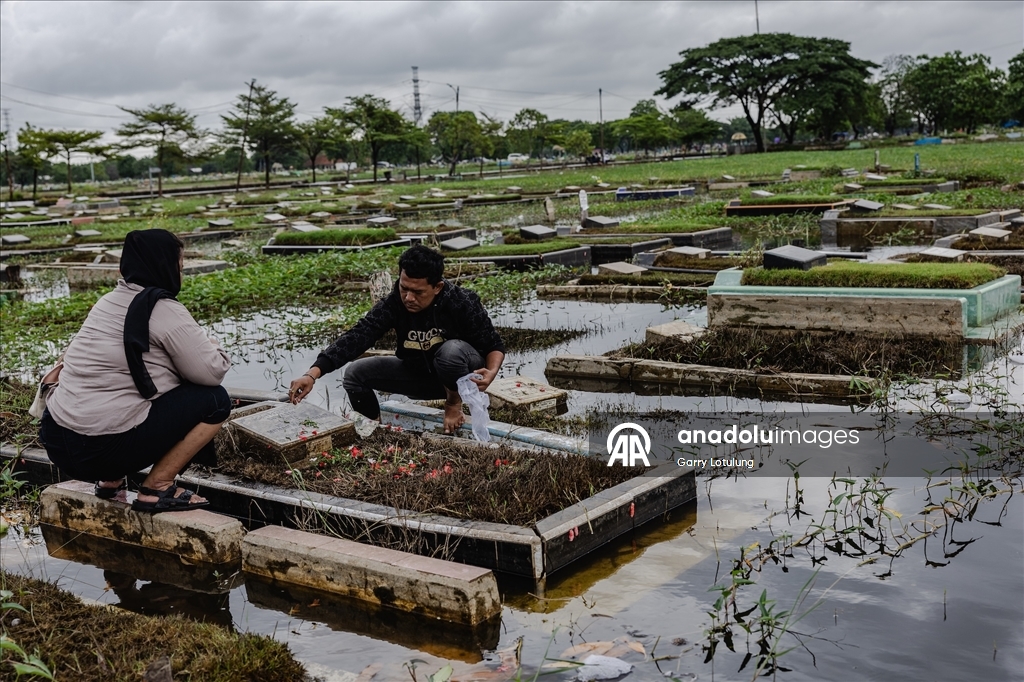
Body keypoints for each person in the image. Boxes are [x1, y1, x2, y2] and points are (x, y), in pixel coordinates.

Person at [39, 229, 231, 513]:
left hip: (57, 441)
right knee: (215, 400)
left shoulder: (106, 302)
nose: (180, 272)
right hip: (102, 451)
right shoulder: (164, 309)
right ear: (166, 266)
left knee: (120, 389)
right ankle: (158, 486)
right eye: (179, 266)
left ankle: (110, 481)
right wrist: (212, 344)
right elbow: (211, 372)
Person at [289, 244, 504, 434]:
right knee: (355, 374)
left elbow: (493, 345)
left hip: (461, 378)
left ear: (437, 287)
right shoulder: (394, 303)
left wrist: (491, 372)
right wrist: (312, 374)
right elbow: (359, 335)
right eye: (404, 288)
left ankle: (453, 405)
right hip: (421, 375)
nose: (409, 298)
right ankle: (375, 431)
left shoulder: (461, 301)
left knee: (450, 352)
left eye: (418, 292)